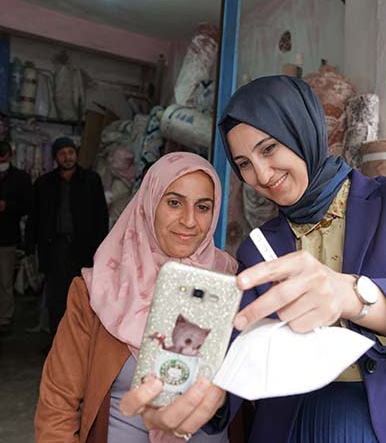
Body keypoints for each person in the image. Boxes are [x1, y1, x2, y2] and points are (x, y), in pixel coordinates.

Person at [122, 76, 386, 442]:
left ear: (302, 131)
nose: (261, 174)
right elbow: (240, 348)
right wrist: (200, 397)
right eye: (244, 163)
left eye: (269, 149)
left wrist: (350, 294)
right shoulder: (259, 247)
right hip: (298, 421)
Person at [34, 153, 238, 442]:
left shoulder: (232, 283)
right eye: (174, 203)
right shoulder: (99, 290)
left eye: (203, 207)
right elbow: (58, 404)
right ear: (148, 204)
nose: (189, 220)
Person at [27, 137, 108, 336]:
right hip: (54, 248)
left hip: (83, 248)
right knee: (56, 298)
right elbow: (34, 218)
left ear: (76, 154)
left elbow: (101, 216)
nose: (67, 157)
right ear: (56, 157)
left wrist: (101, 248)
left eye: (71, 152)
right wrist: (30, 247)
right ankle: (57, 342)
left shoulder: (91, 180)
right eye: (62, 153)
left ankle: (79, 343)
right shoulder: (44, 183)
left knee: (82, 297)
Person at [0, 141, 32, 328]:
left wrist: (8, 206)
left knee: (5, 281)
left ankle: (4, 318)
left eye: (3, 158)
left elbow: (28, 206)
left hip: (7, 237)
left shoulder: (20, 178)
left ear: (10, 156)